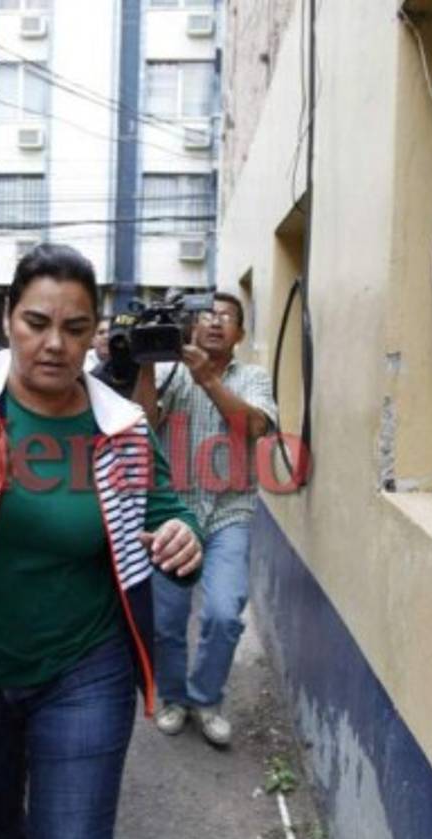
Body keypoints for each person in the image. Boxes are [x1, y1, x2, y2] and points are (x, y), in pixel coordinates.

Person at [0, 244, 203, 839]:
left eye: (75, 327)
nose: (55, 344)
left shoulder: (121, 427)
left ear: (96, 334)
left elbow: (167, 513)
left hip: (84, 667)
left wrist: (184, 538)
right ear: (9, 317)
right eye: (37, 322)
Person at [137, 291, 277, 747]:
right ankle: (174, 698)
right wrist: (144, 363)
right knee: (166, 621)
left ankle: (205, 698)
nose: (215, 322)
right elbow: (142, 424)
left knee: (223, 613)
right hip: (172, 514)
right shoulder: (169, 373)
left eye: (226, 317)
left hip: (228, 513)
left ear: (239, 334)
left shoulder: (252, 377)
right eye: (207, 315)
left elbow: (253, 428)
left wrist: (209, 380)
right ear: (191, 327)